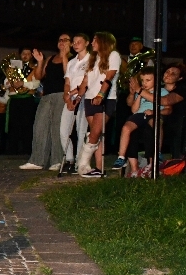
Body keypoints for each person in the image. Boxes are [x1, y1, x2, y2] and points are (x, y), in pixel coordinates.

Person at [20, 34, 72, 171]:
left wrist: (65, 55)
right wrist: (40, 61)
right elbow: (39, 77)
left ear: (71, 43)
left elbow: (68, 75)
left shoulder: (73, 59)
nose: (62, 42)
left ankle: (57, 160)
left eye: (66, 40)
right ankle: (37, 160)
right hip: (47, 95)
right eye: (60, 40)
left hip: (62, 95)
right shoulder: (51, 58)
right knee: (39, 126)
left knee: (57, 128)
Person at [76, 32, 121, 177]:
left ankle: (83, 162)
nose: (92, 43)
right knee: (97, 135)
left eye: (95, 40)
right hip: (89, 98)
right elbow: (85, 80)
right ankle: (99, 169)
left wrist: (101, 94)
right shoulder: (92, 58)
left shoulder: (113, 55)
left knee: (95, 132)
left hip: (106, 98)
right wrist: (78, 96)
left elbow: (110, 75)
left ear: (103, 41)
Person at [113, 68, 170, 170]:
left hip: (153, 114)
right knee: (126, 128)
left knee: (156, 124)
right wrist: (138, 95)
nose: (145, 83)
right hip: (139, 114)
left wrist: (155, 112)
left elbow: (168, 109)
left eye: (148, 80)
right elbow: (134, 110)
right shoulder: (140, 92)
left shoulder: (162, 91)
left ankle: (158, 152)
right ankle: (121, 157)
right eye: (143, 80)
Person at [136, 63, 186, 158]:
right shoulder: (157, 88)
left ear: (180, 78)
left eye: (173, 74)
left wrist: (140, 91)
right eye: (167, 72)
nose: (168, 75)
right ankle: (149, 159)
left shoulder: (181, 89)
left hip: (176, 123)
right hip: (159, 119)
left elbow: (164, 101)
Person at [59, 33, 90, 174]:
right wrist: (67, 96)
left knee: (81, 129)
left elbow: (87, 81)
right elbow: (67, 82)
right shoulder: (71, 62)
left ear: (87, 43)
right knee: (64, 130)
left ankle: (79, 161)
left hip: (83, 97)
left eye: (79, 42)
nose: (76, 44)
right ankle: (69, 159)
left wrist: (74, 96)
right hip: (70, 98)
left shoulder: (91, 60)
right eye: (74, 42)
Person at [5, 48, 39, 156]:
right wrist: (10, 83)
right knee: (13, 126)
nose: (26, 56)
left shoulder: (34, 68)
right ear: (20, 55)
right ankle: (12, 150)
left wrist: (23, 84)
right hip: (14, 99)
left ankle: (26, 150)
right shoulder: (12, 67)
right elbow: (5, 83)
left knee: (27, 126)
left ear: (31, 56)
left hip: (27, 99)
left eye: (28, 54)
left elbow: (36, 84)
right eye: (24, 54)